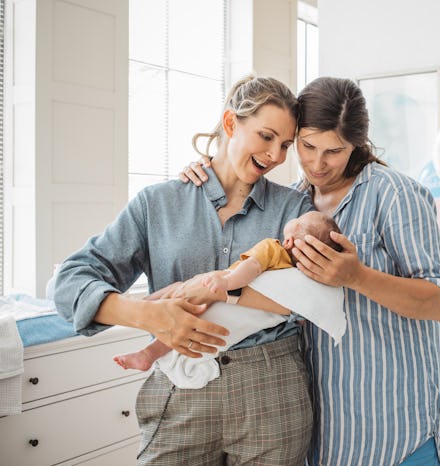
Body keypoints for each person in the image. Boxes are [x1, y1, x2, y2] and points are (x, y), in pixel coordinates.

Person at [181, 77, 440, 466]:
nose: (317, 163)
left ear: (356, 145)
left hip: (396, 431)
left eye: (334, 151)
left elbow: (439, 302)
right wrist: (199, 174)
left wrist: (357, 277)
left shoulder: (392, 194)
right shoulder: (291, 202)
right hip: (323, 434)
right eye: (307, 146)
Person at [54, 75, 316, 465]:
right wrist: (147, 314)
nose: (276, 156)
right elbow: (69, 282)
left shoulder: (294, 210)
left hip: (272, 393)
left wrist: (222, 289)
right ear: (231, 124)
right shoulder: (157, 204)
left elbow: (309, 295)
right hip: (180, 393)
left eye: (285, 145)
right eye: (265, 137)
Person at [113, 210, 341, 376]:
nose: (296, 216)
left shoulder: (273, 247)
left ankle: (143, 310)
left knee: (178, 297)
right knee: (185, 322)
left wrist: (227, 281)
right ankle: (148, 346)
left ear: (289, 241)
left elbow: (251, 267)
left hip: (219, 293)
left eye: (299, 220)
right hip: (240, 315)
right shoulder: (298, 274)